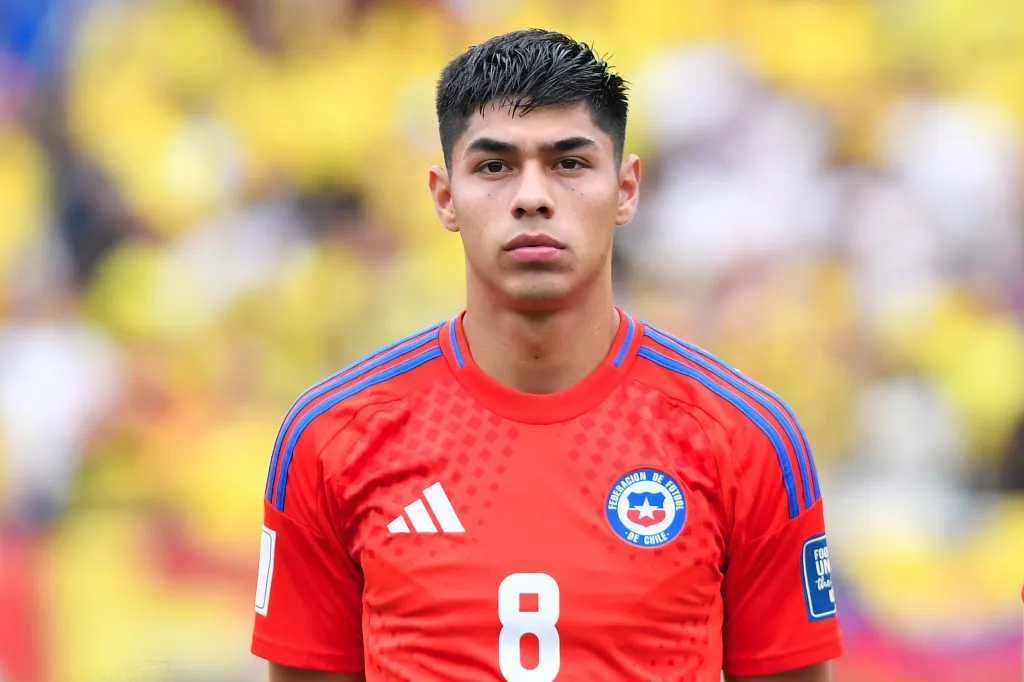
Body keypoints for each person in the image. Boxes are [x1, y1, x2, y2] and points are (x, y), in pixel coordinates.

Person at [251, 28, 843, 682]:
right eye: (494, 166)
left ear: (625, 189)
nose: (532, 197)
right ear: (445, 196)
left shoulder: (746, 439)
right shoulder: (334, 437)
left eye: (569, 163)